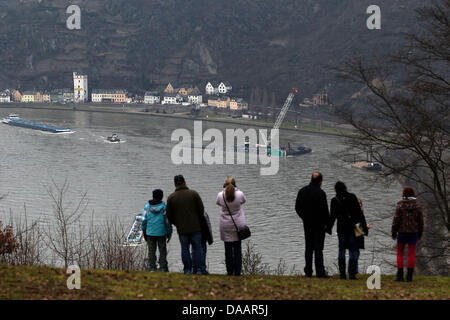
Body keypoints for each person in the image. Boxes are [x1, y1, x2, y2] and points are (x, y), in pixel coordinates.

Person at [166, 175, 207, 275]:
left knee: (185, 249)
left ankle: (187, 270)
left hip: (182, 229)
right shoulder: (194, 194)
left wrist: (177, 223)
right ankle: (200, 270)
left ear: (175, 184)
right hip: (196, 228)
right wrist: (196, 221)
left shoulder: (171, 197)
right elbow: (201, 210)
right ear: (185, 182)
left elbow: (169, 216)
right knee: (198, 248)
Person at [328, 182, 369, 280]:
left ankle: (342, 274)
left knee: (341, 250)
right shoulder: (352, 197)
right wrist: (364, 227)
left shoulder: (334, 200)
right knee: (353, 250)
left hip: (341, 229)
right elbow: (359, 214)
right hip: (352, 228)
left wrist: (329, 228)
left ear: (336, 189)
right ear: (345, 188)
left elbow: (332, 216)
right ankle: (352, 274)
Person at [295, 172, 331, 278]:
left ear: (311, 179)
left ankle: (308, 271)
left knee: (308, 248)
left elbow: (297, 207)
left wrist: (304, 217)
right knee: (318, 249)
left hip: (307, 224)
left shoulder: (302, 191)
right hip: (319, 225)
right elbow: (325, 211)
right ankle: (320, 272)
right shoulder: (321, 193)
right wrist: (327, 225)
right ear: (320, 181)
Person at [392, 186, 424, 282]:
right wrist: (420, 234)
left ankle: (400, 276)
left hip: (402, 232)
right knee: (411, 254)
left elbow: (396, 220)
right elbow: (421, 222)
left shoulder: (400, 205)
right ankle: (409, 277)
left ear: (404, 194)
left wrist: (394, 232)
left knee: (400, 254)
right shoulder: (418, 206)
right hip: (413, 232)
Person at [216, 176, 247, 276]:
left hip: (225, 225)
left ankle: (229, 271)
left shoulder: (220, 195)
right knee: (237, 249)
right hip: (237, 225)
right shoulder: (240, 194)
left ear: (225, 184)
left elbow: (218, 203)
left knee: (228, 250)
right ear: (235, 184)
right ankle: (237, 272)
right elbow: (243, 201)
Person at [141, 189, 172, 272]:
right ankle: (163, 267)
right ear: (161, 197)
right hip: (161, 233)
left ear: (153, 196)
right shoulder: (164, 207)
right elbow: (168, 221)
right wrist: (169, 232)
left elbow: (143, 220)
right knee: (162, 250)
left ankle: (152, 267)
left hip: (150, 232)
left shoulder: (147, 206)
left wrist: (144, 230)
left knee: (151, 251)